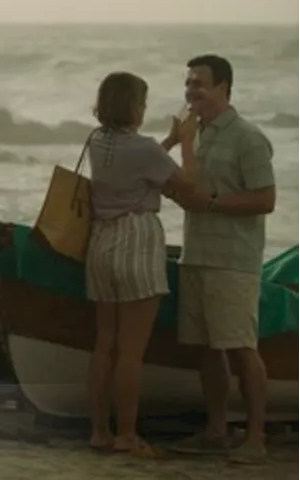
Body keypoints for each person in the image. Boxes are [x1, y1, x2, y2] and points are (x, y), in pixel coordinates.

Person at [81, 72, 208, 457]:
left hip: (101, 244)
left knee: (105, 345)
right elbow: (187, 183)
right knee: (131, 352)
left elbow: (140, 164)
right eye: (143, 102)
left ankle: (100, 431)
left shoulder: (96, 141)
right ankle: (127, 436)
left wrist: (165, 142)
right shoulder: (145, 148)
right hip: (136, 242)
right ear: (134, 106)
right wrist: (186, 141)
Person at [167, 55, 274, 465]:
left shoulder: (248, 137)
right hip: (195, 253)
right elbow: (187, 190)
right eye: (188, 83)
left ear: (224, 88)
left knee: (241, 347)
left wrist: (209, 202)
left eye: (200, 84)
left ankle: (256, 437)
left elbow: (266, 199)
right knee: (207, 349)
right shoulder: (197, 136)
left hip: (233, 259)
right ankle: (215, 431)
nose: (191, 90)